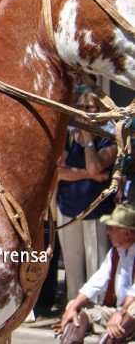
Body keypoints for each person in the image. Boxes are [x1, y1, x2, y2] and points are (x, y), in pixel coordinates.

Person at [58, 91, 118, 301]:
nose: (84, 112)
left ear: (100, 111)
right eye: (81, 107)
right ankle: (73, 310)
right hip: (68, 209)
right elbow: (58, 172)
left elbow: (95, 166)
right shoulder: (68, 136)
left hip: (96, 211)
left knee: (97, 264)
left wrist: (89, 139)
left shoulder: (109, 139)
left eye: (89, 108)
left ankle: (95, 310)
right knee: (72, 266)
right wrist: (86, 175)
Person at [60, 204, 135, 343]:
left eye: (112, 228)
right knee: (75, 307)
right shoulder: (115, 253)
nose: (108, 232)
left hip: (128, 314)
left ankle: (111, 339)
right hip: (119, 313)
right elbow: (95, 283)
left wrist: (120, 313)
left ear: (126, 233)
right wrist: (74, 307)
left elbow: (134, 292)